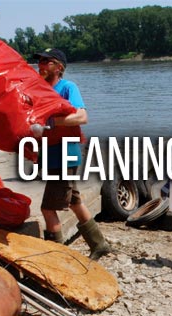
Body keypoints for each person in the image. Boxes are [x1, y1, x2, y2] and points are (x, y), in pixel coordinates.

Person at [32, 48, 111, 260]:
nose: (41, 65)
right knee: (75, 201)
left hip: (65, 154)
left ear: (59, 67)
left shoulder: (67, 87)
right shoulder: (41, 91)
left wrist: (51, 123)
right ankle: (99, 244)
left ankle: (58, 257)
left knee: (48, 208)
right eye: (39, 61)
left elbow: (82, 116)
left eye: (46, 61)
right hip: (51, 154)